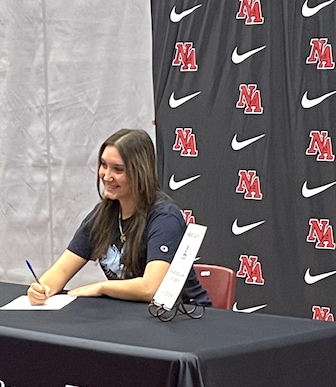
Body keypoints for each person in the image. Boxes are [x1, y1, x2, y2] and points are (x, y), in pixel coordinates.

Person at [27, 128, 210, 306]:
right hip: (134, 318)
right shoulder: (103, 214)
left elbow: (151, 288)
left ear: (140, 172)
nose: (106, 176)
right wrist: (43, 289)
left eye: (117, 169)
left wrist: (101, 287)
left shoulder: (165, 218)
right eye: (104, 165)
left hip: (185, 317)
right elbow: (62, 269)